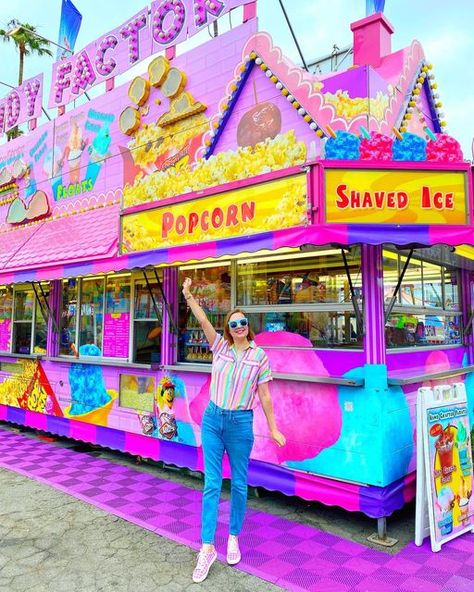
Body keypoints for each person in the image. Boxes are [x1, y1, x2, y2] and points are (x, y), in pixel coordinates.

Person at [182, 277, 286, 583]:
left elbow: (265, 395)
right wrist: (188, 295)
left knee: (239, 484)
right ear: (228, 329)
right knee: (212, 484)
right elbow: (202, 319)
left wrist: (274, 428)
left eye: (242, 322)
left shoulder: (259, 357)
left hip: (241, 424)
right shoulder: (219, 347)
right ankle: (206, 547)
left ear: (248, 326)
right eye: (233, 323)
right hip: (214, 420)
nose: (238, 326)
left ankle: (233, 536)